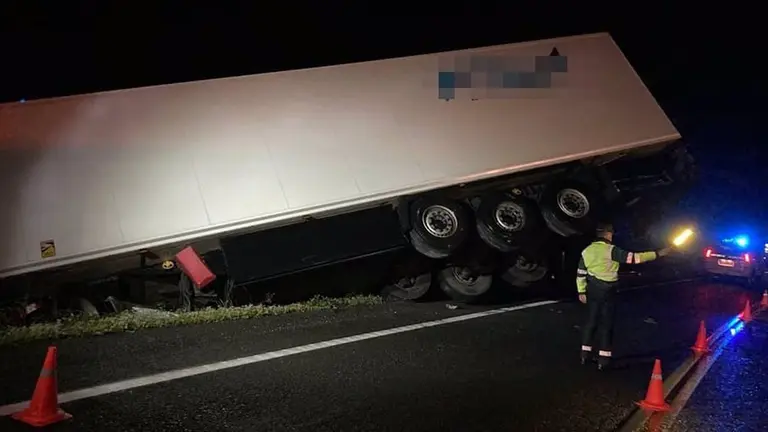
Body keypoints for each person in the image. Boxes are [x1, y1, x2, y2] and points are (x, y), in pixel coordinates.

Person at [577, 222, 672, 370]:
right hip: (608, 290)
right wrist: (658, 253)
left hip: (593, 290)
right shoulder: (611, 250)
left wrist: (581, 292)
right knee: (606, 324)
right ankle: (604, 360)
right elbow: (634, 258)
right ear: (608, 234)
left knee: (591, 321)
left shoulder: (586, 251)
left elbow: (581, 274)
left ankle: (584, 355)